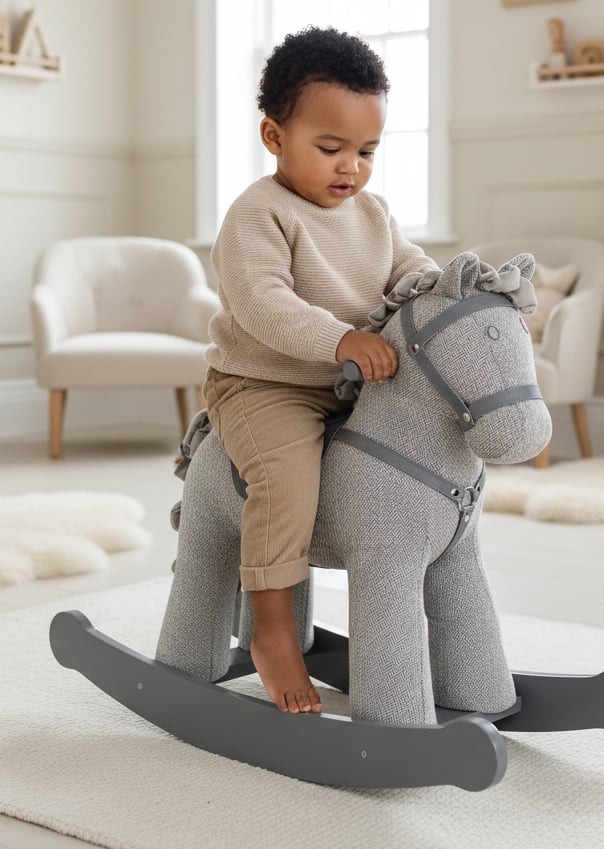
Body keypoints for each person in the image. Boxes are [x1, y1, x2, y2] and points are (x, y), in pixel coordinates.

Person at [203, 26, 439, 715]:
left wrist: (446, 292)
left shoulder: (373, 213)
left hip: (347, 383)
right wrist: (341, 338)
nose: (351, 168)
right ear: (274, 137)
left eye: (366, 151)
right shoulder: (258, 214)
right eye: (330, 148)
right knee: (285, 476)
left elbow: (411, 269)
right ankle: (272, 629)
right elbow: (264, 305)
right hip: (265, 384)